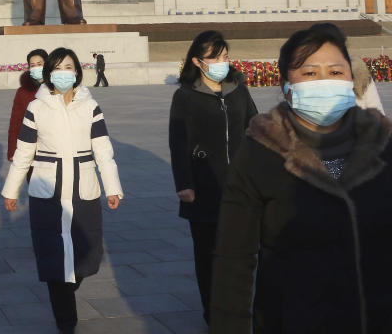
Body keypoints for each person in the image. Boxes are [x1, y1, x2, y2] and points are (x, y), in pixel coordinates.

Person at [211, 23, 392, 333]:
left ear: (352, 80)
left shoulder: (383, 145)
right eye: (309, 73)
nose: (324, 81)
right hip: (293, 318)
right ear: (287, 86)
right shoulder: (260, 152)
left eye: (336, 72)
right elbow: (233, 259)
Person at [2, 47, 123, 333]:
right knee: (54, 257)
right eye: (57, 68)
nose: (63, 73)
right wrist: (11, 189)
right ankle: (66, 323)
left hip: (83, 189)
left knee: (86, 251)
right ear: (48, 74)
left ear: (77, 72)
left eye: (68, 67)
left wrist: (112, 187)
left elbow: (103, 150)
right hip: (49, 192)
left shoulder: (90, 106)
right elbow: (23, 153)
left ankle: (68, 286)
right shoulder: (36, 107)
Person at [167, 31, 257, 325]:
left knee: (239, 257)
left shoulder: (238, 90)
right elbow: (178, 143)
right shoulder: (185, 96)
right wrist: (184, 184)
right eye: (215, 57)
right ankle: (214, 313)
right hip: (204, 187)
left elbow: (255, 129)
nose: (222, 62)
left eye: (225, 56)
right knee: (208, 257)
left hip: (240, 188)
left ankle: (237, 309)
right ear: (198, 61)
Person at [8, 49, 48, 161]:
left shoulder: (57, 88)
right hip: (30, 149)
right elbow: (15, 123)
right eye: (33, 65)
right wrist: (13, 150)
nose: (36, 68)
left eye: (40, 64)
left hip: (54, 149)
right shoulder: (23, 92)